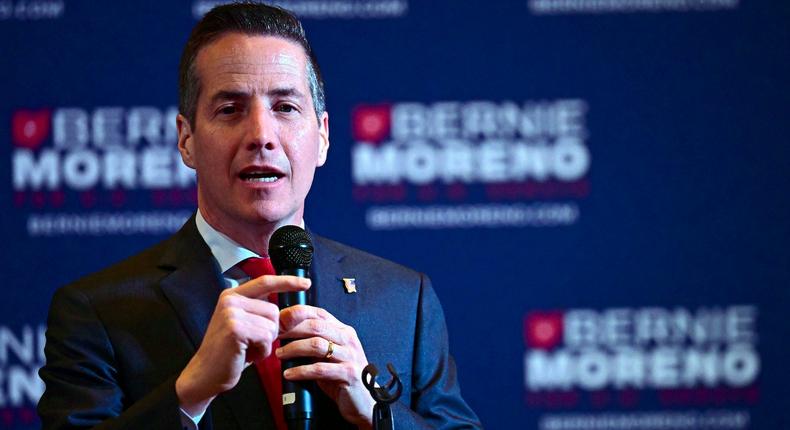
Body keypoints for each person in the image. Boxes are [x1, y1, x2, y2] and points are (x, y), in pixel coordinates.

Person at [37, 3, 481, 430]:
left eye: (285, 107)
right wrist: (189, 394)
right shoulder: (96, 312)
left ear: (323, 136)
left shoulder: (405, 300)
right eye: (230, 110)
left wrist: (374, 414)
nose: (261, 136)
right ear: (186, 139)